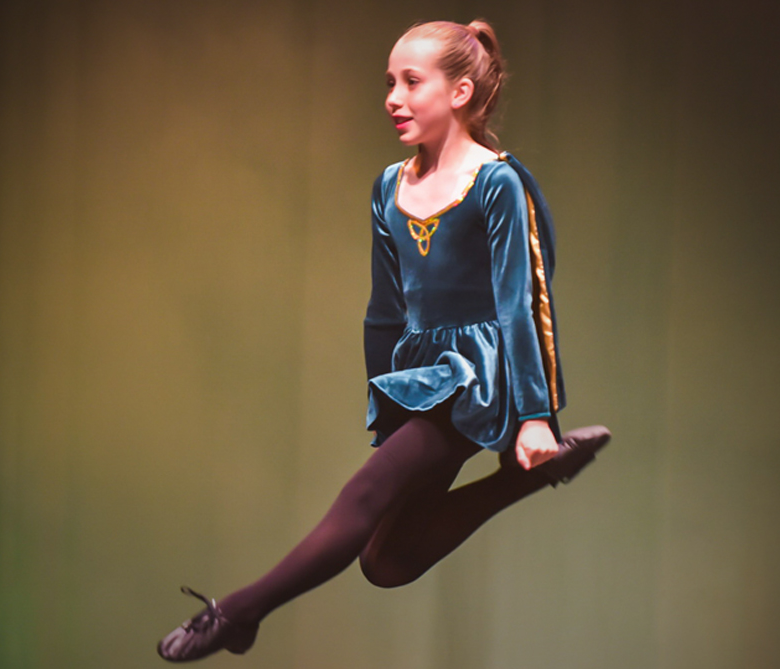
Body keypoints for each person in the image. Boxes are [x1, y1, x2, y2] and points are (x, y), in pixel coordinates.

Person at [157, 18, 611, 663]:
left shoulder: (496, 183)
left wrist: (536, 415)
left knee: (362, 497)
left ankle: (236, 613)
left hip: (481, 377)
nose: (394, 98)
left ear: (459, 92)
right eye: (390, 83)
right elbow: (386, 309)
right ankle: (533, 478)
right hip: (422, 377)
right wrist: (386, 408)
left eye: (411, 82)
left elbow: (523, 302)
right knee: (386, 560)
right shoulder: (389, 186)